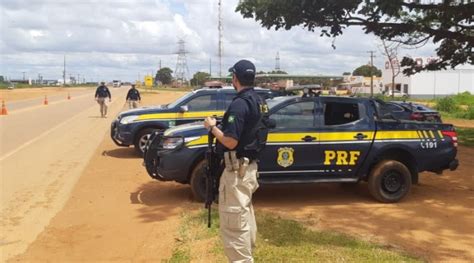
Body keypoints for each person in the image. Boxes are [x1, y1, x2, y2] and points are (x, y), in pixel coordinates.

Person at [204, 59, 265, 262]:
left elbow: (230, 141)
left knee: (234, 225)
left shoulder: (240, 103)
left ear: (235, 78)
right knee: (243, 217)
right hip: (248, 169)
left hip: (237, 172)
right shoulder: (258, 100)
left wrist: (212, 127)